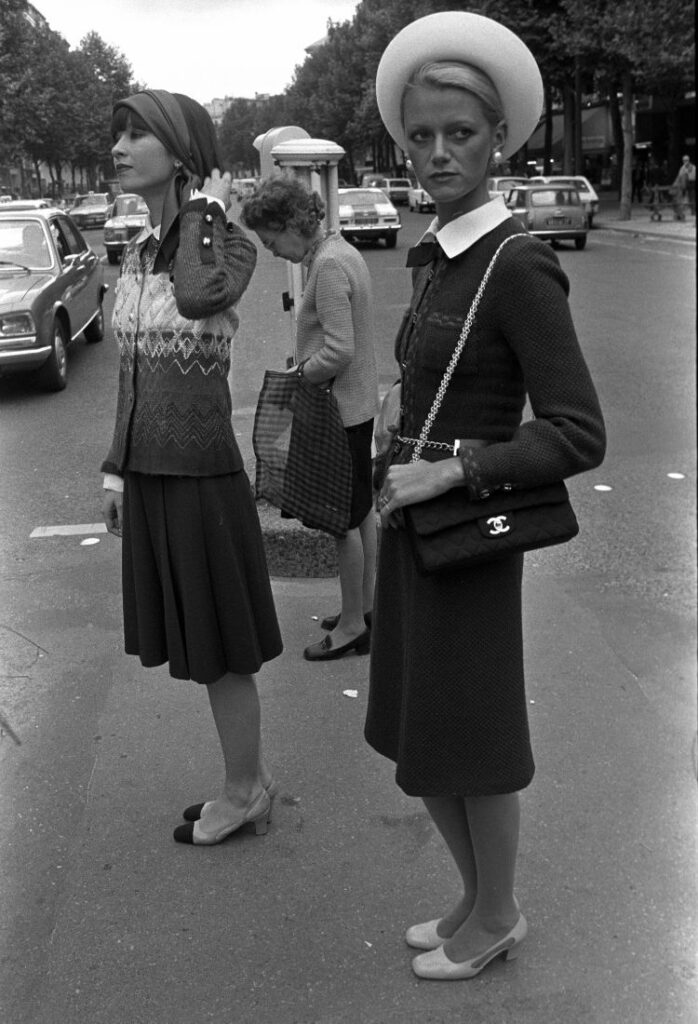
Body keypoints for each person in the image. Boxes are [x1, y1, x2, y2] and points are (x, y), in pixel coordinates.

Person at [364, 12, 606, 980]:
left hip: (467, 533)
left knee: (472, 736)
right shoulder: (438, 253)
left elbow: (578, 431)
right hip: (411, 524)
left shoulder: (516, 263)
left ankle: (498, 913)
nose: (437, 153)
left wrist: (453, 466)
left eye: (458, 133)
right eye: (420, 135)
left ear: (498, 139)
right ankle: (473, 896)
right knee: (421, 731)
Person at [101, 90, 283, 846]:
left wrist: (204, 210)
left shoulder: (225, 244)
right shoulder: (138, 251)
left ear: (180, 154)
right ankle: (249, 782)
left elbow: (198, 294)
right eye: (117, 133)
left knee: (221, 648)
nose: (118, 147)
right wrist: (116, 471)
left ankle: (245, 792)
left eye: (136, 134)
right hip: (151, 476)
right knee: (205, 644)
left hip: (202, 478)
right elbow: (130, 372)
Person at [241, 177, 380, 662]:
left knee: (341, 522)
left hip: (337, 412)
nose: (273, 251)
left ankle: (352, 626)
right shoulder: (343, 252)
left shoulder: (328, 266)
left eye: (270, 241)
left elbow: (339, 349)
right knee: (361, 513)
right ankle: (365, 609)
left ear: (289, 225)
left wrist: (300, 375)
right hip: (357, 407)